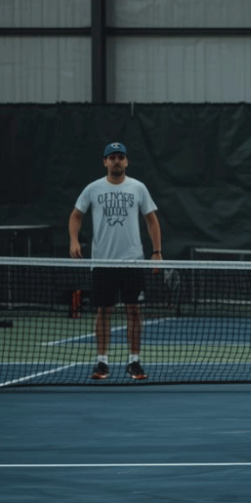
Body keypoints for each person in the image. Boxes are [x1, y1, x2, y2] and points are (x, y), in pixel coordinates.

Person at [68, 142, 162, 380]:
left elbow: (151, 220)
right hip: (102, 263)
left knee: (134, 311)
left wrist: (157, 251)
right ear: (105, 162)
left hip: (133, 262)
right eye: (112, 157)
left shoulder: (138, 188)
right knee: (103, 311)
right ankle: (102, 362)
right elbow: (76, 215)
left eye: (121, 157)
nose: (117, 161)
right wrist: (74, 240)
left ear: (127, 161)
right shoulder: (93, 189)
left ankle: (134, 361)